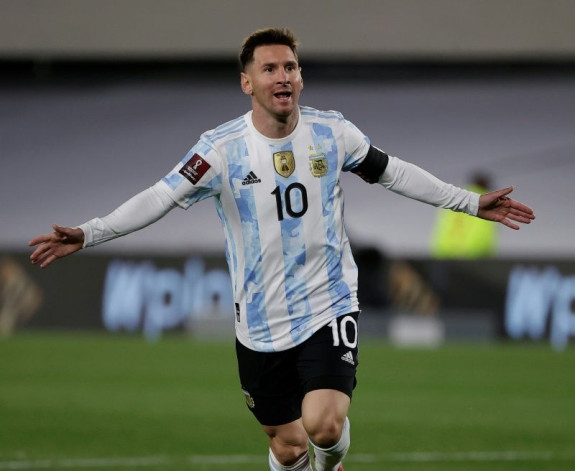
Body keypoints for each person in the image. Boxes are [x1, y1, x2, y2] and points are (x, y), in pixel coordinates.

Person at [28, 27, 535, 471]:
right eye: (269, 68)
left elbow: (394, 172)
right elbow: (160, 196)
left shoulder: (332, 132)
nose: (283, 76)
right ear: (247, 83)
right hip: (259, 321)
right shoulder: (219, 150)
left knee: (325, 427)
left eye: (291, 66)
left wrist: (468, 204)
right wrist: (90, 232)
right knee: (289, 447)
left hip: (328, 303)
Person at [430, 172, 499, 258]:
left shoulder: (454, 198)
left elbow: (442, 227)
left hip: (444, 254)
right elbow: (483, 234)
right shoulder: (485, 203)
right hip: (471, 257)